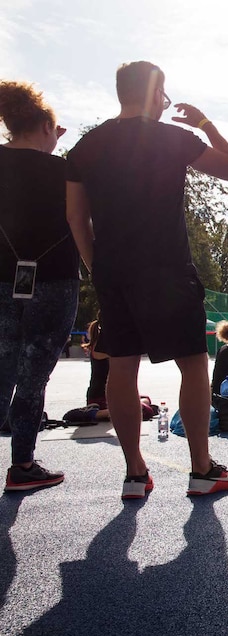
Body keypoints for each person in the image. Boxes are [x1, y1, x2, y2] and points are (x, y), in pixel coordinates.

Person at [66, 61, 228, 499]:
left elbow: (76, 216)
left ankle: (134, 474)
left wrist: (96, 266)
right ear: (156, 93)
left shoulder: (86, 145)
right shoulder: (172, 138)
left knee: (122, 367)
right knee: (192, 364)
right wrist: (205, 123)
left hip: (114, 271)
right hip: (166, 269)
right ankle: (202, 470)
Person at [0, 80, 79, 492]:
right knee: (33, 376)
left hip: (0, 277)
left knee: (1, 364)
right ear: (48, 127)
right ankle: (22, 466)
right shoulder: (66, 171)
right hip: (54, 278)